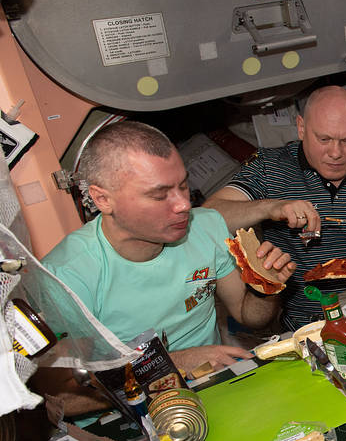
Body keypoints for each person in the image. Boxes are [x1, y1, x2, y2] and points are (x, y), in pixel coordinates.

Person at [42, 121, 295, 373]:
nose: (184, 204)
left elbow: (247, 315)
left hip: (212, 385)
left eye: (183, 185)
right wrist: (174, 365)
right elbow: (63, 393)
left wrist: (264, 286)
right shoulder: (66, 274)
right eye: (159, 195)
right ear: (103, 199)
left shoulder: (206, 225)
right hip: (133, 406)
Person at [205, 86, 346, 330]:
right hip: (309, 325)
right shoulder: (269, 167)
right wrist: (271, 207)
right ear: (301, 128)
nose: (336, 153)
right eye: (324, 139)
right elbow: (209, 215)